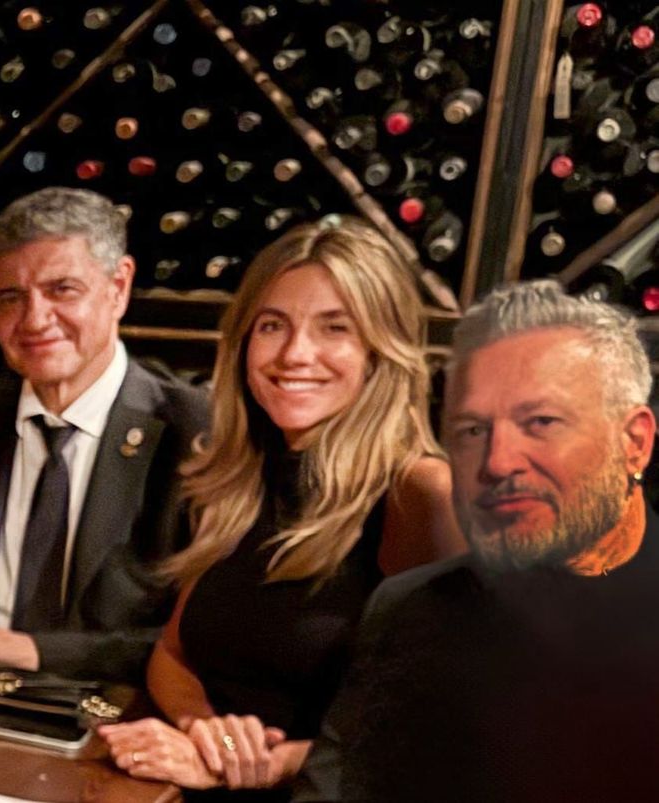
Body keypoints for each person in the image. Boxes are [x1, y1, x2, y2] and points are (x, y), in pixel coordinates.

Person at [98, 214, 464, 797]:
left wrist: (267, 764)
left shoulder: (419, 493)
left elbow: (442, 725)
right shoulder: (238, 478)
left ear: (379, 351)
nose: (295, 353)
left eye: (334, 328)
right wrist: (206, 730)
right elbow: (173, 653)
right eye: (273, 326)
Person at [295, 280, 659, 802]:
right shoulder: (410, 608)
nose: (497, 463)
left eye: (541, 422)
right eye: (472, 430)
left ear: (634, 443)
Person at [0, 187, 209, 682]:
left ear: (118, 288)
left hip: (111, 712)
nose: (34, 320)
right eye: (11, 297)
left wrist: (27, 649)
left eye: (62, 290)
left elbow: (200, 642)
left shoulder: (194, 437)